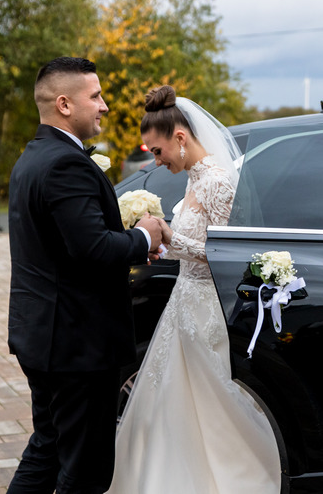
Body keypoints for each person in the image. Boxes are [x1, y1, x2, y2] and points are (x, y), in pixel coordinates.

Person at [106, 85, 281, 493]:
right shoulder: (193, 179)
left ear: (181, 138)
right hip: (182, 302)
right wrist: (161, 247)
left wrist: (169, 236)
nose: (156, 160)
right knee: (169, 400)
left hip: (204, 308)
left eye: (157, 151)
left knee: (205, 398)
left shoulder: (217, 182)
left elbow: (221, 254)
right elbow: (192, 248)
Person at [6, 57, 163, 494]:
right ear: (64, 104)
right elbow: (92, 248)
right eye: (95, 96)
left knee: (49, 449)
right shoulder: (64, 164)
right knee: (86, 469)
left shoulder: (32, 157)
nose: (104, 105)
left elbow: (67, 246)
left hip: (45, 335)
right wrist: (143, 237)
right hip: (76, 344)